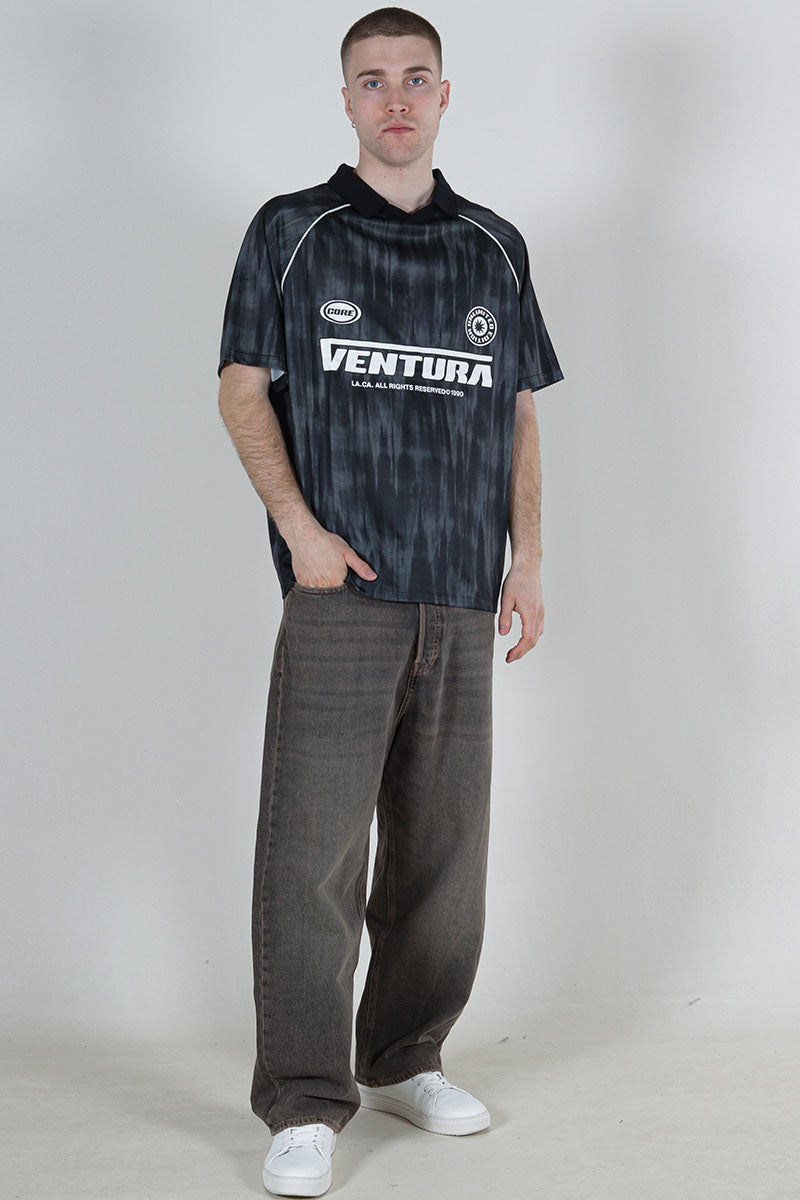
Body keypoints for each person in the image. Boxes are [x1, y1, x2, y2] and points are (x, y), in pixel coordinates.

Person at [216, 7, 564, 1195]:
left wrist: (526, 559)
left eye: (415, 78)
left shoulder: (493, 246)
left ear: (444, 95)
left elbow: (517, 409)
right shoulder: (292, 231)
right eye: (372, 81)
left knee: (442, 857)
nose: (395, 98)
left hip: (461, 595)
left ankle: (404, 1057)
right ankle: (304, 1100)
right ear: (347, 101)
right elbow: (241, 390)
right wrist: (299, 531)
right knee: (311, 855)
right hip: (342, 595)